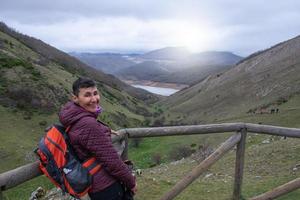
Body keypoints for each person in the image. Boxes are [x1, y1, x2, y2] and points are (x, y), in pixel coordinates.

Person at [59, 77, 136, 200]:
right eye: (87, 95)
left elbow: (85, 136)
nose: (94, 99)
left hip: (97, 185)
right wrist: (131, 182)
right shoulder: (87, 124)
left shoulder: (73, 114)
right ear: (75, 98)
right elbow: (112, 161)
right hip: (107, 186)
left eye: (95, 93)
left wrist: (104, 130)